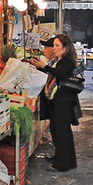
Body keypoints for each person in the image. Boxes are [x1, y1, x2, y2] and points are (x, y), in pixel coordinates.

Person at [36, 34, 83, 171]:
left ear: (65, 48)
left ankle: (63, 164)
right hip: (57, 101)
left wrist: (44, 66)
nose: (54, 48)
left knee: (62, 133)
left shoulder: (67, 61)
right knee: (58, 132)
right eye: (54, 45)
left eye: (57, 46)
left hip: (64, 101)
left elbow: (60, 74)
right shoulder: (60, 60)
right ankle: (62, 158)